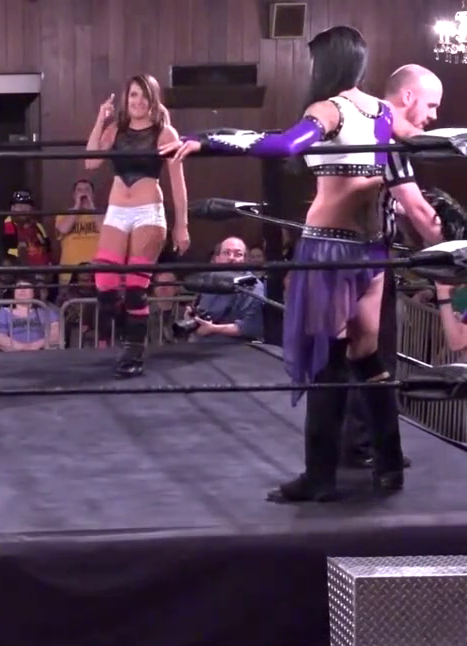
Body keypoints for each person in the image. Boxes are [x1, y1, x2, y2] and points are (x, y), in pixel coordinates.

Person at [161, 26, 405, 502]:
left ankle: (320, 477)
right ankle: (390, 466)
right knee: (366, 355)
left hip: (330, 248)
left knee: (328, 359)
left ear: (326, 64)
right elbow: (402, 146)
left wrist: (210, 142)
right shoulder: (381, 110)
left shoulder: (329, 109)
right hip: (373, 249)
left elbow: (288, 145)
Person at [341, 64, 444, 471]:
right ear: (408, 97)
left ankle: (357, 443)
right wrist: (453, 253)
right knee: (375, 351)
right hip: (367, 256)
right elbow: (416, 208)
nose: (433, 116)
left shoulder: (362, 126)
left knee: (353, 351)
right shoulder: (386, 138)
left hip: (339, 252)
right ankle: (363, 445)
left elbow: (389, 199)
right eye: (430, 105)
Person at [84, 74, 190, 377]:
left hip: (148, 212)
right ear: (126, 98)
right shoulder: (115, 129)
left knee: (134, 288)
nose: (138, 101)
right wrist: (100, 118)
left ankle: (134, 350)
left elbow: (178, 183)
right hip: (117, 211)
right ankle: (129, 331)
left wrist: (182, 225)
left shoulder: (164, 133)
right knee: (105, 286)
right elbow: (91, 162)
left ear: (153, 100)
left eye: (144, 96)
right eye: (133, 95)